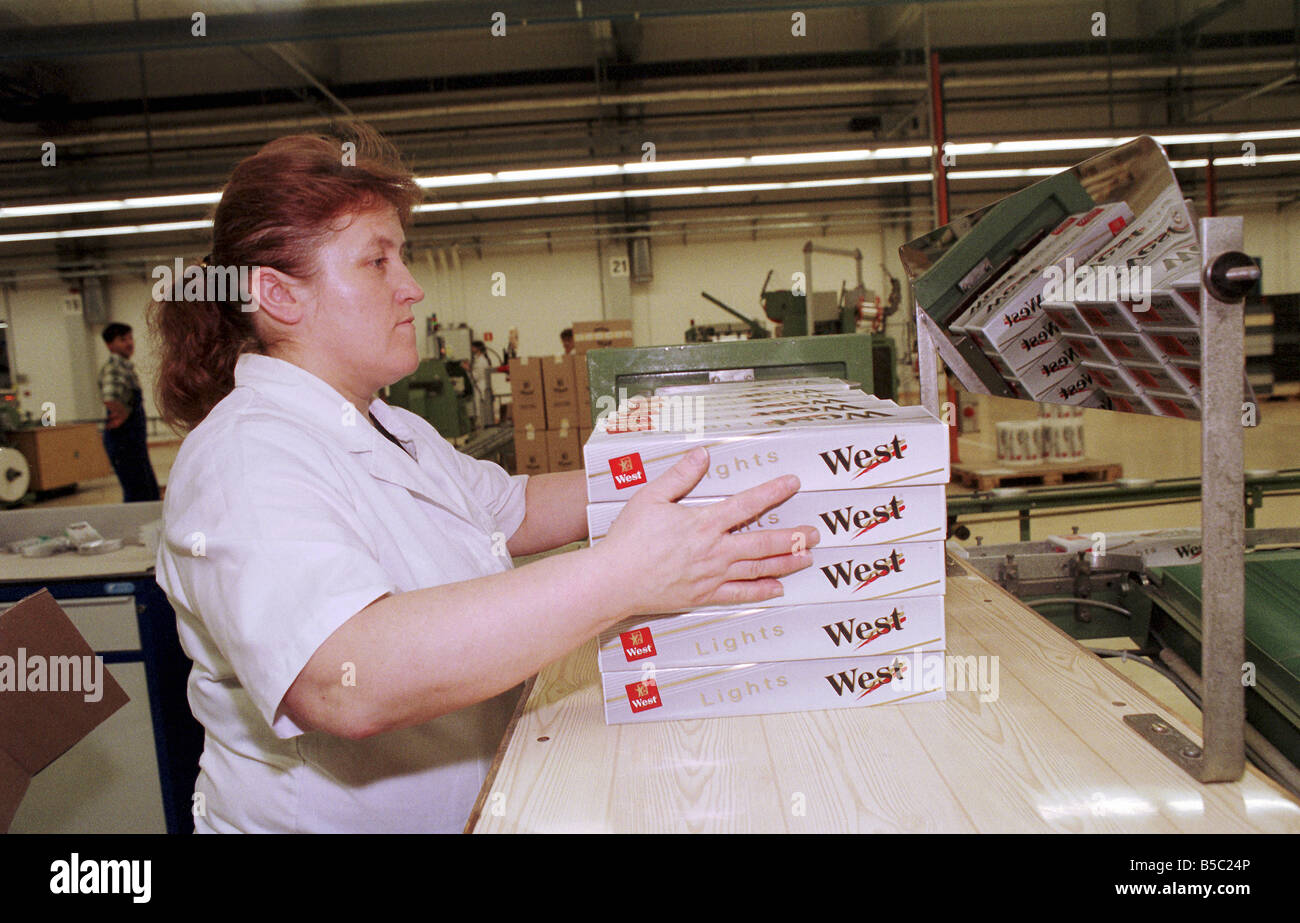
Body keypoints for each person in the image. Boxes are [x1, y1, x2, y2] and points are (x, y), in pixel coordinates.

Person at [148, 126, 819, 833]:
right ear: (279, 296)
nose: (412, 288)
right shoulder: (243, 459)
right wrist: (622, 575)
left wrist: (692, 459)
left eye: (401, 256)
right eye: (377, 261)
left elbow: (512, 506)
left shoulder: (387, 425)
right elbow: (341, 678)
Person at [98, 322, 161, 502]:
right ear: (110, 345)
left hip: (133, 441)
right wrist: (123, 414)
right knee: (138, 494)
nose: (129, 343)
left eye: (130, 338)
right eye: (122, 339)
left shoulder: (125, 367)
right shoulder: (114, 367)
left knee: (148, 491)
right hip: (123, 441)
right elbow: (109, 397)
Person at [469, 339, 494, 428]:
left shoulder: (481, 361)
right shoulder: (479, 359)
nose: (471, 349)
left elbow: (476, 375)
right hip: (480, 385)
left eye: (473, 347)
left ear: (477, 348)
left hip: (481, 386)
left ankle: (483, 425)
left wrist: (468, 369)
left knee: (481, 407)